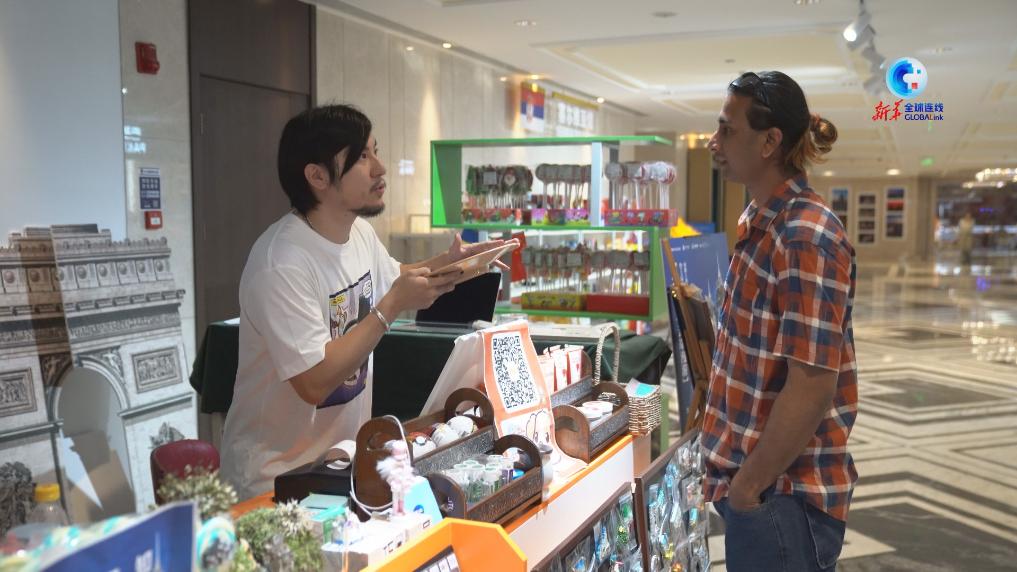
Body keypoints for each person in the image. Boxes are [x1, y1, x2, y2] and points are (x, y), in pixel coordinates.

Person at [221, 104, 507, 499]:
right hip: (274, 482)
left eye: (376, 151)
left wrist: (456, 263)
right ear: (317, 176)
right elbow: (315, 382)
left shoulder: (358, 233)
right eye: (361, 157)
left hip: (339, 465)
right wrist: (389, 308)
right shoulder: (281, 262)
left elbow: (398, 277)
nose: (380, 168)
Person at [702, 71, 857, 572]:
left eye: (727, 129)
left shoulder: (804, 235)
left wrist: (749, 488)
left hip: (781, 495)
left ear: (769, 142)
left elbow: (811, 385)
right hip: (761, 490)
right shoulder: (763, 221)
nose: (714, 142)